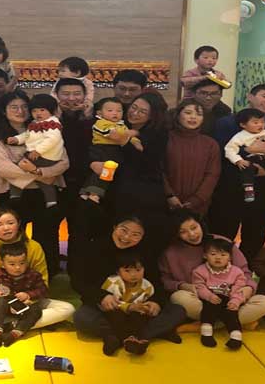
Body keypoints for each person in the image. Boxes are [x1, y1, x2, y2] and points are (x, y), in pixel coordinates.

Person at [70, 203, 186, 355]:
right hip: (109, 308)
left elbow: (157, 282)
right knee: (82, 318)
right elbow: (78, 281)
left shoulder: (145, 253)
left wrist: (156, 302)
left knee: (178, 310)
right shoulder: (94, 248)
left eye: (135, 234)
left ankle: (116, 337)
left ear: (142, 237)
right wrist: (102, 296)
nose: (126, 237)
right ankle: (142, 335)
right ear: (114, 227)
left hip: (140, 308)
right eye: (123, 230)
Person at [210, 83, 265, 261]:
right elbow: (218, 155)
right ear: (250, 96)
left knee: (255, 236)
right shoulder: (226, 123)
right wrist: (248, 151)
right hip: (229, 188)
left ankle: (247, 271)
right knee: (222, 234)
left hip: (263, 189)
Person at [0, 91, 67, 278]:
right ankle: (8, 277)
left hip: (45, 195)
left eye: (25, 107)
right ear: (4, 110)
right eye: (14, 107)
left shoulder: (45, 129)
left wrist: (39, 171)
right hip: (11, 194)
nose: (20, 111)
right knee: (12, 239)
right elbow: (3, 168)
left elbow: (64, 162)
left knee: (46, 237)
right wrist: (42, 176)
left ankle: (46, 276)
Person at [0, 207, 75, 329]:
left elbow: (43, 281)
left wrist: (29, 296)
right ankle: (22, 323)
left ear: (18, 224)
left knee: (67, 309)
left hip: (27, 302)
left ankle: (2, 324)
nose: (6, 228)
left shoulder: (33, 247)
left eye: (10, 223)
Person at [160, 210, 265, 326]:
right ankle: (232, 322)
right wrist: (181, 285)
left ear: (201, 224)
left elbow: (245, 271)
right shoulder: (171, 253)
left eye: (194, 227)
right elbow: (166, 280)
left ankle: (208, 323)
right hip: (201, 299)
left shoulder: (221, 242)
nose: (192, 234)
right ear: (176, 234)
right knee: (179, 297)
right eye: (183, 232)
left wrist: (249, 287)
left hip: (232, 298)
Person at [111, 92, 169, 265]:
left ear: (152, 116)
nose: (135, 113)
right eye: (134, 107)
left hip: (143, 196)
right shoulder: (118, 125)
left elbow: (148, 164)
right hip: (117, 191)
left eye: (142, 111)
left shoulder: (158, 134)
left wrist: (124, 142)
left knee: (140, 240)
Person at [53, 78, 94, 271]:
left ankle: (77, 270)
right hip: (54, 182)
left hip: (83, 184)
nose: (71, 99)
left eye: (77, 94)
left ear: (85, 96)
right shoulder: (48, 120)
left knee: (80, 230)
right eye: (65, 94)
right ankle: (50, 269)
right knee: (48, 229)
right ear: (57, 95)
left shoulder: (94, 120)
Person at [163, 98, 221, 216]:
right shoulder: (164, 139)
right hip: (165, 202)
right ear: (177, 115)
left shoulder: (210, 144)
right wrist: (169, 195)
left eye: (199, 114)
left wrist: (196, 200)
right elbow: (158, 170)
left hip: (198, 205)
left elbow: (212, 174)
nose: (193, 117)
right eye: (188, 113)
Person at [5, 94, 64, 208]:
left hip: (46, 156)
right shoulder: (35, 123)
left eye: (42, 110)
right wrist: (16, 139)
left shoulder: (52, 124)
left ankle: (15, 194)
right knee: (43, 179)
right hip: (38, 154)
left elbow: (52, 140)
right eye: (34, 111)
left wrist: (38, 151)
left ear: (51, 111)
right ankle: (51, 201)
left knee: (19, 167)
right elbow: (27, 135)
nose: (38, 113)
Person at [0, 241, 47, 347]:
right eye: (12, 264)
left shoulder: (33, 275)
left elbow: (43, 290)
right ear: (2, 264)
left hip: (23, 309)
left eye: (22, 263)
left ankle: (14, 333)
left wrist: (28, 295)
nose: (17, 267)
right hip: (1, 310)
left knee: (37, 311)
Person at [80, 97, 141, 204]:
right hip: (102, 149)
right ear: (100, 113)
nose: (115, 113)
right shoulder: (101, 123)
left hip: (115, 151)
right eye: (110, 110)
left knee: (108, 172)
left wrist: (136, 142)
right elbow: (109, 133)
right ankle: (94, 194)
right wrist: (129, 133)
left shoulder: (122, 125)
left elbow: (128, 137)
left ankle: (88, 192)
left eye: (119, 111)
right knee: (102, 171)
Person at [224, 108, 265, 203]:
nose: (260, 125)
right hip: (250, 159)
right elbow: (230, 149)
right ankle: (248, 190)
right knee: (246, 170)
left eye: (262, 122)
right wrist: (238, 160)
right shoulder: (240, 136)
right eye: (255, 123)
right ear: (243, 125)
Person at [193, 235, 246, 350]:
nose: (218, 258)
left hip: (228, 299)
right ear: (205, 255)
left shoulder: (237, 272)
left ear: (230, 257)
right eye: (213, 254)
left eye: (223, 255)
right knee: (209, 308)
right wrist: (209, 296)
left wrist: (235, 301)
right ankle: (206, 332)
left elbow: (238, 289)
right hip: (209, 299)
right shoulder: (199, 271)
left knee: (231, 312)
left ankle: (235, 336)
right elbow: (199, 287)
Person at [100, 250, 156, 355]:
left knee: (139, 318)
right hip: (115, 311)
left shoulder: (147, 286)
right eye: (127, 271)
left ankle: (133, 340)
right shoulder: (113, 282)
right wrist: (129, 307)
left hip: (134, 314)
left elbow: (147, 301)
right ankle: (119, 339)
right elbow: (111, 303)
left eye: (138, 270)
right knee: (116, 316)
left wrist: (146, 308)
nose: (133, 274)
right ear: (118, 272)